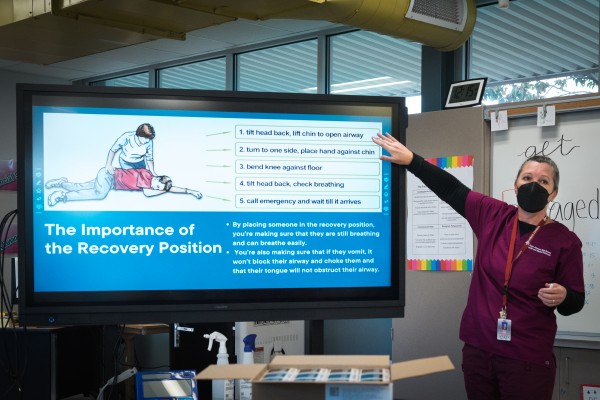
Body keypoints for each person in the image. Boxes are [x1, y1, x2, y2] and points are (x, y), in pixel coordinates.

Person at [372, 132, 584, 400]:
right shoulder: (493, 215)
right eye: (527, 178)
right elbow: (452, 189)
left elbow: (575, 302)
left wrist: (564, 296)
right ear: (516, 186)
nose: (534, 185)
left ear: (553, 193)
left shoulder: (565, 241)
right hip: (479, 351)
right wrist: (412, 161)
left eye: (543, 181)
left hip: (526, 360)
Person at [45, 167, 202, 206]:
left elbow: (169, 189)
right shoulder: (147, 176)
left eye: (158, 188)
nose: (155, 188)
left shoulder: (152, 182)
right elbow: (148, 193)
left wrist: (190, 191)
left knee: (80, 187)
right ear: (157, 178)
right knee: (99, 194)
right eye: (157, 186)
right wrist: (163, 191)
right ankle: (61, 195)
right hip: (108, 176)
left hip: (108, 179)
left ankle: (61, 183)